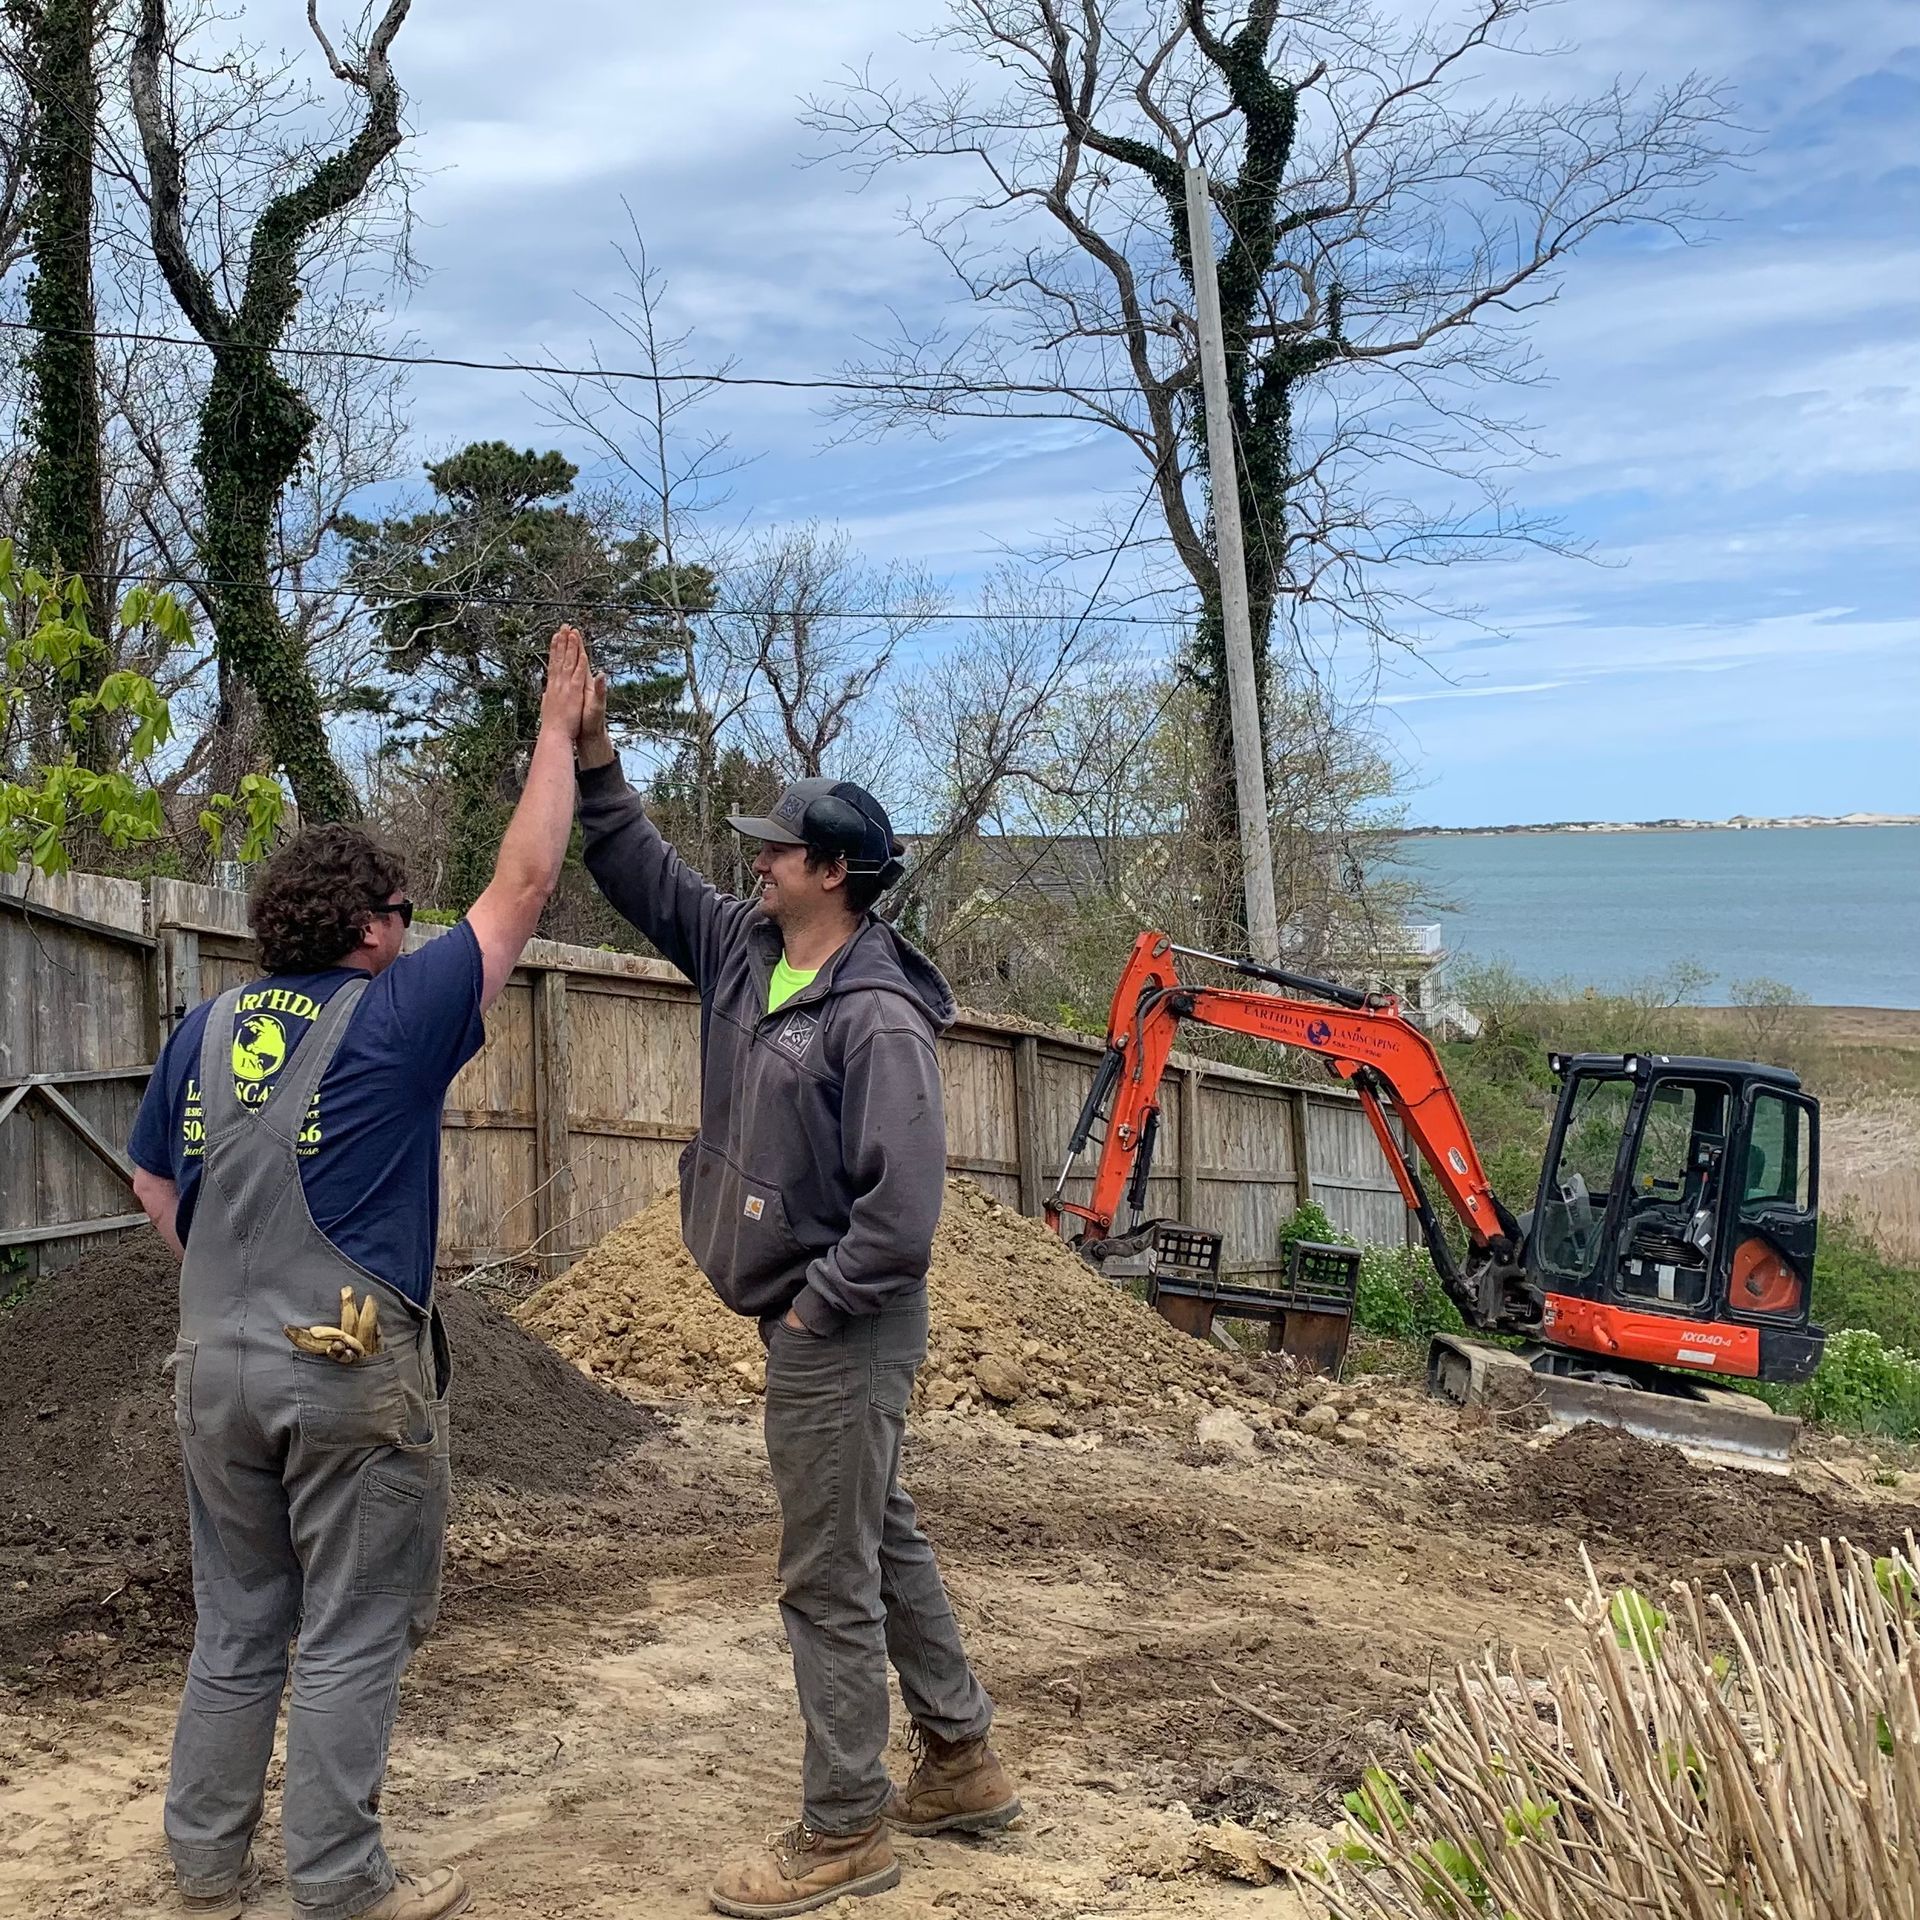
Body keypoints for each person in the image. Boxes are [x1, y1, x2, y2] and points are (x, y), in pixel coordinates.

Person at [127, 628, 593, 1920]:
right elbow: (525, 880)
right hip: (342, 1372)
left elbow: (154, 1189)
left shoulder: (205, 1028)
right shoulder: (393, 1015)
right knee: (349, 1627)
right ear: (373, 930)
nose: (413, 928)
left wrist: (238, 1285)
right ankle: (337, 1881)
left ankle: (205, 1865)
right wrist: (555, 734)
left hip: (212, 1374)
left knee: (237, 1624)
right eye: (402, 914)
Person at [574, 675, 1020, 1917]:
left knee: (825, 1578)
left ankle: (844, 1830)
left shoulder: (877, 1019)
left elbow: (903, 1216)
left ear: (832, 872)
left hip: (845, 1327)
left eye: (776, 848)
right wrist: (598, 758)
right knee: (878, 1532)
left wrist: (818, 1312)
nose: (756, 861)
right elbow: (640, 870)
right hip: (813, 1322)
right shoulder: (747, 952)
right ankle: (961, 1758)